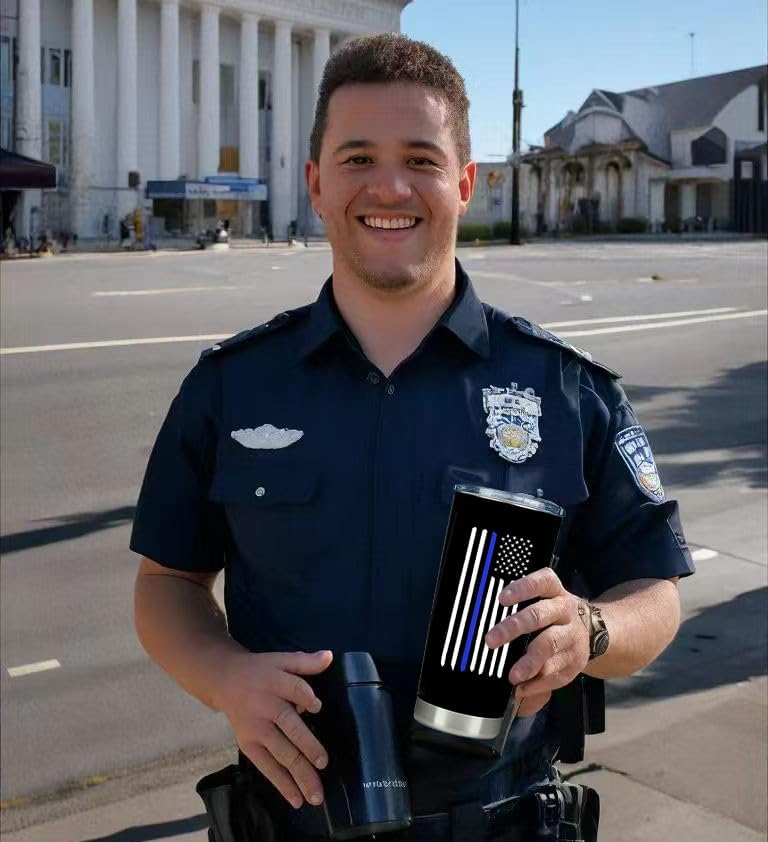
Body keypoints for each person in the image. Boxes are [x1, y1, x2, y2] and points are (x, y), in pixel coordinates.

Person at [131, 34, 694, 841]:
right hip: (293, 821)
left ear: (464, 184)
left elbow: (657, 592)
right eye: (357, 158)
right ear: (317, 186)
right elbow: (166, 583)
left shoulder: (564, 387)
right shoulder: (232, 385)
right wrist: (224, 676)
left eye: (422, 159)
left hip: (500, 819)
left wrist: (589, 632)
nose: (389, 185)